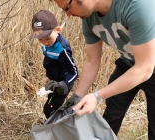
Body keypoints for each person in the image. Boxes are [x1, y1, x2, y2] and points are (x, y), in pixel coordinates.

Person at [52, 0, 155, 139]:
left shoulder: (137, 6)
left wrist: (97, 96)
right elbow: (92, 60)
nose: (68, 14)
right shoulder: (89, 19)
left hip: (146, 66)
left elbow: (144, 68)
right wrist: (77, 96)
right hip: (129, 63)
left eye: (68, 8)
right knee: (110, 118)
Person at [30, 10, 78, 119]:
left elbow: (74, 72)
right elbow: (51, 62)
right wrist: (49, 76)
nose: (45, 42)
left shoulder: (62, 50)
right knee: (52, 107)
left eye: (47, 37)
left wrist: (64, 85)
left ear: (57, 30)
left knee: (50, 109)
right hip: (54, 81)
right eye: (40, 38)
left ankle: (57, 130)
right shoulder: (45, 45)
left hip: (62, 84)